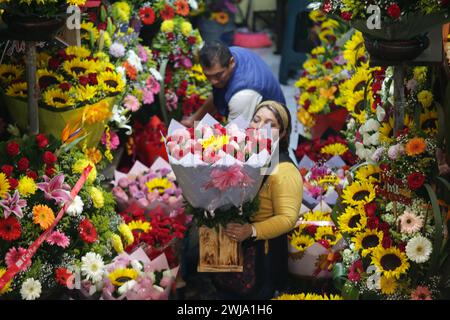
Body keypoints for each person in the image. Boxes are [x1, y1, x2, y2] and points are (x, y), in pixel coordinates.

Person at [212, 100, 303, 299]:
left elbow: (288, 218)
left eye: (271, 124)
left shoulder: (284, 171)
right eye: (256, 119)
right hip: (228, 247)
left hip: (261, 253)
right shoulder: (245, 154)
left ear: (283, 133)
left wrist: (251, 231)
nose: (260, 127)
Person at [181, 41, 286, 126]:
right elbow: (218, 93)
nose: (213, 81)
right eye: (208, 75)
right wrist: (194, 119)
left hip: (271, 135)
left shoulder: (242, 96)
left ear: (231, 63)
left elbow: (234, 141)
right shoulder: (231, 53)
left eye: (218, 75)